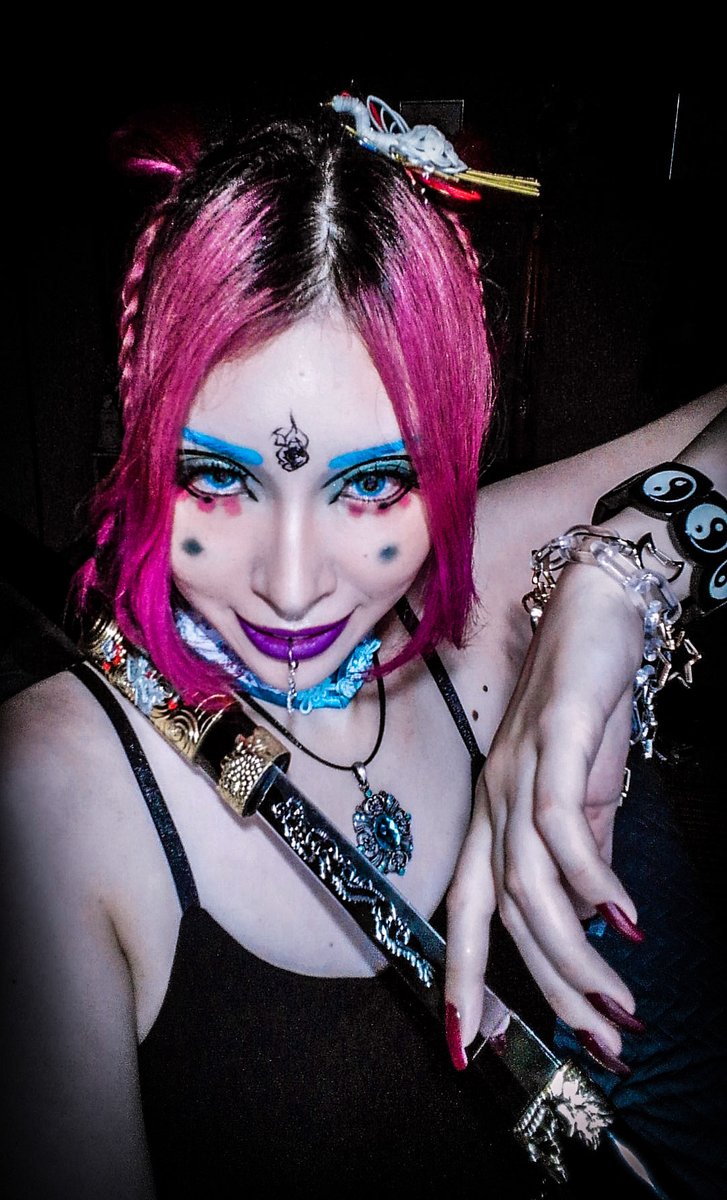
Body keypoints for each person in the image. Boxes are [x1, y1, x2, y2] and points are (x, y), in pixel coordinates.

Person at [1, 97, 725, 1199]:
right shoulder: (47, 796)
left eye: (372, 484)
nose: (292, 586)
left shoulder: (489, 600)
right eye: (220, 478)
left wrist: (622, 568)